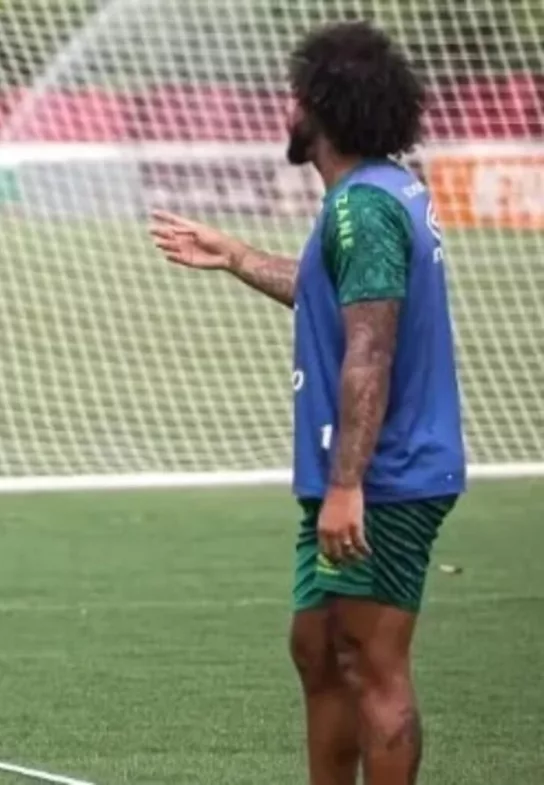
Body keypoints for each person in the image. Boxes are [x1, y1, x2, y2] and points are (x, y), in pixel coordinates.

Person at [149, 21, 466, 785]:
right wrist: (235, 256)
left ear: (324, 107)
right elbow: (333, 296)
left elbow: (370, 349)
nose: (286, 108)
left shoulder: (365, 208)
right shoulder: (375, 194)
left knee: (370, 662)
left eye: (296, 97)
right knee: (319, 647)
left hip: (384, 476)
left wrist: (348, 485)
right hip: (357, 472)